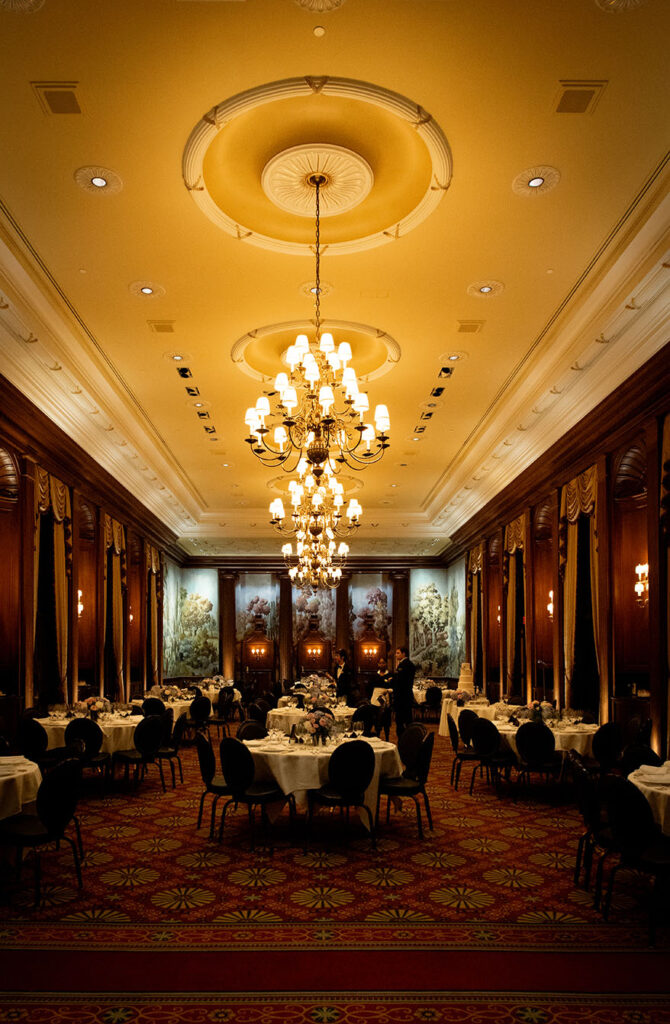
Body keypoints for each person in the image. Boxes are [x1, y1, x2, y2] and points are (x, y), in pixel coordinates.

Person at [391, 646, 416, 737]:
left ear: (404, 653)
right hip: (404, 697)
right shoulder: (404, 664)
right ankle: (406, 739)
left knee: (402, 720)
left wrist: (392, 683)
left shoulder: (406, 665)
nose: (395, 655)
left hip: (403, 697)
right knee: (405, 720)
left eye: (398, 653)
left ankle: (404, 740)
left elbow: (401, 682)